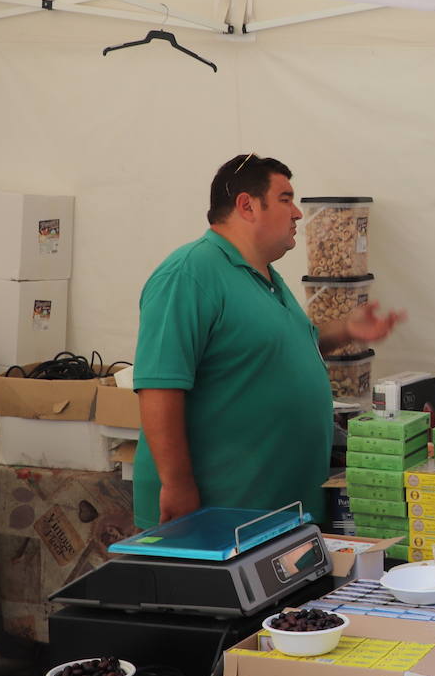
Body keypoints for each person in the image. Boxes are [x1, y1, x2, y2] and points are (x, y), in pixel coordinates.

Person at [133, 155, 403, 527]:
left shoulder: (267, 277)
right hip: (219, 514)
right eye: (285, 199)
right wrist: (177, 485)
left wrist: (347, 330)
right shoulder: (189, 273)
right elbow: (159, 387)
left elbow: (284, 351)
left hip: (276, 511)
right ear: (247, 206)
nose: (296, 213)